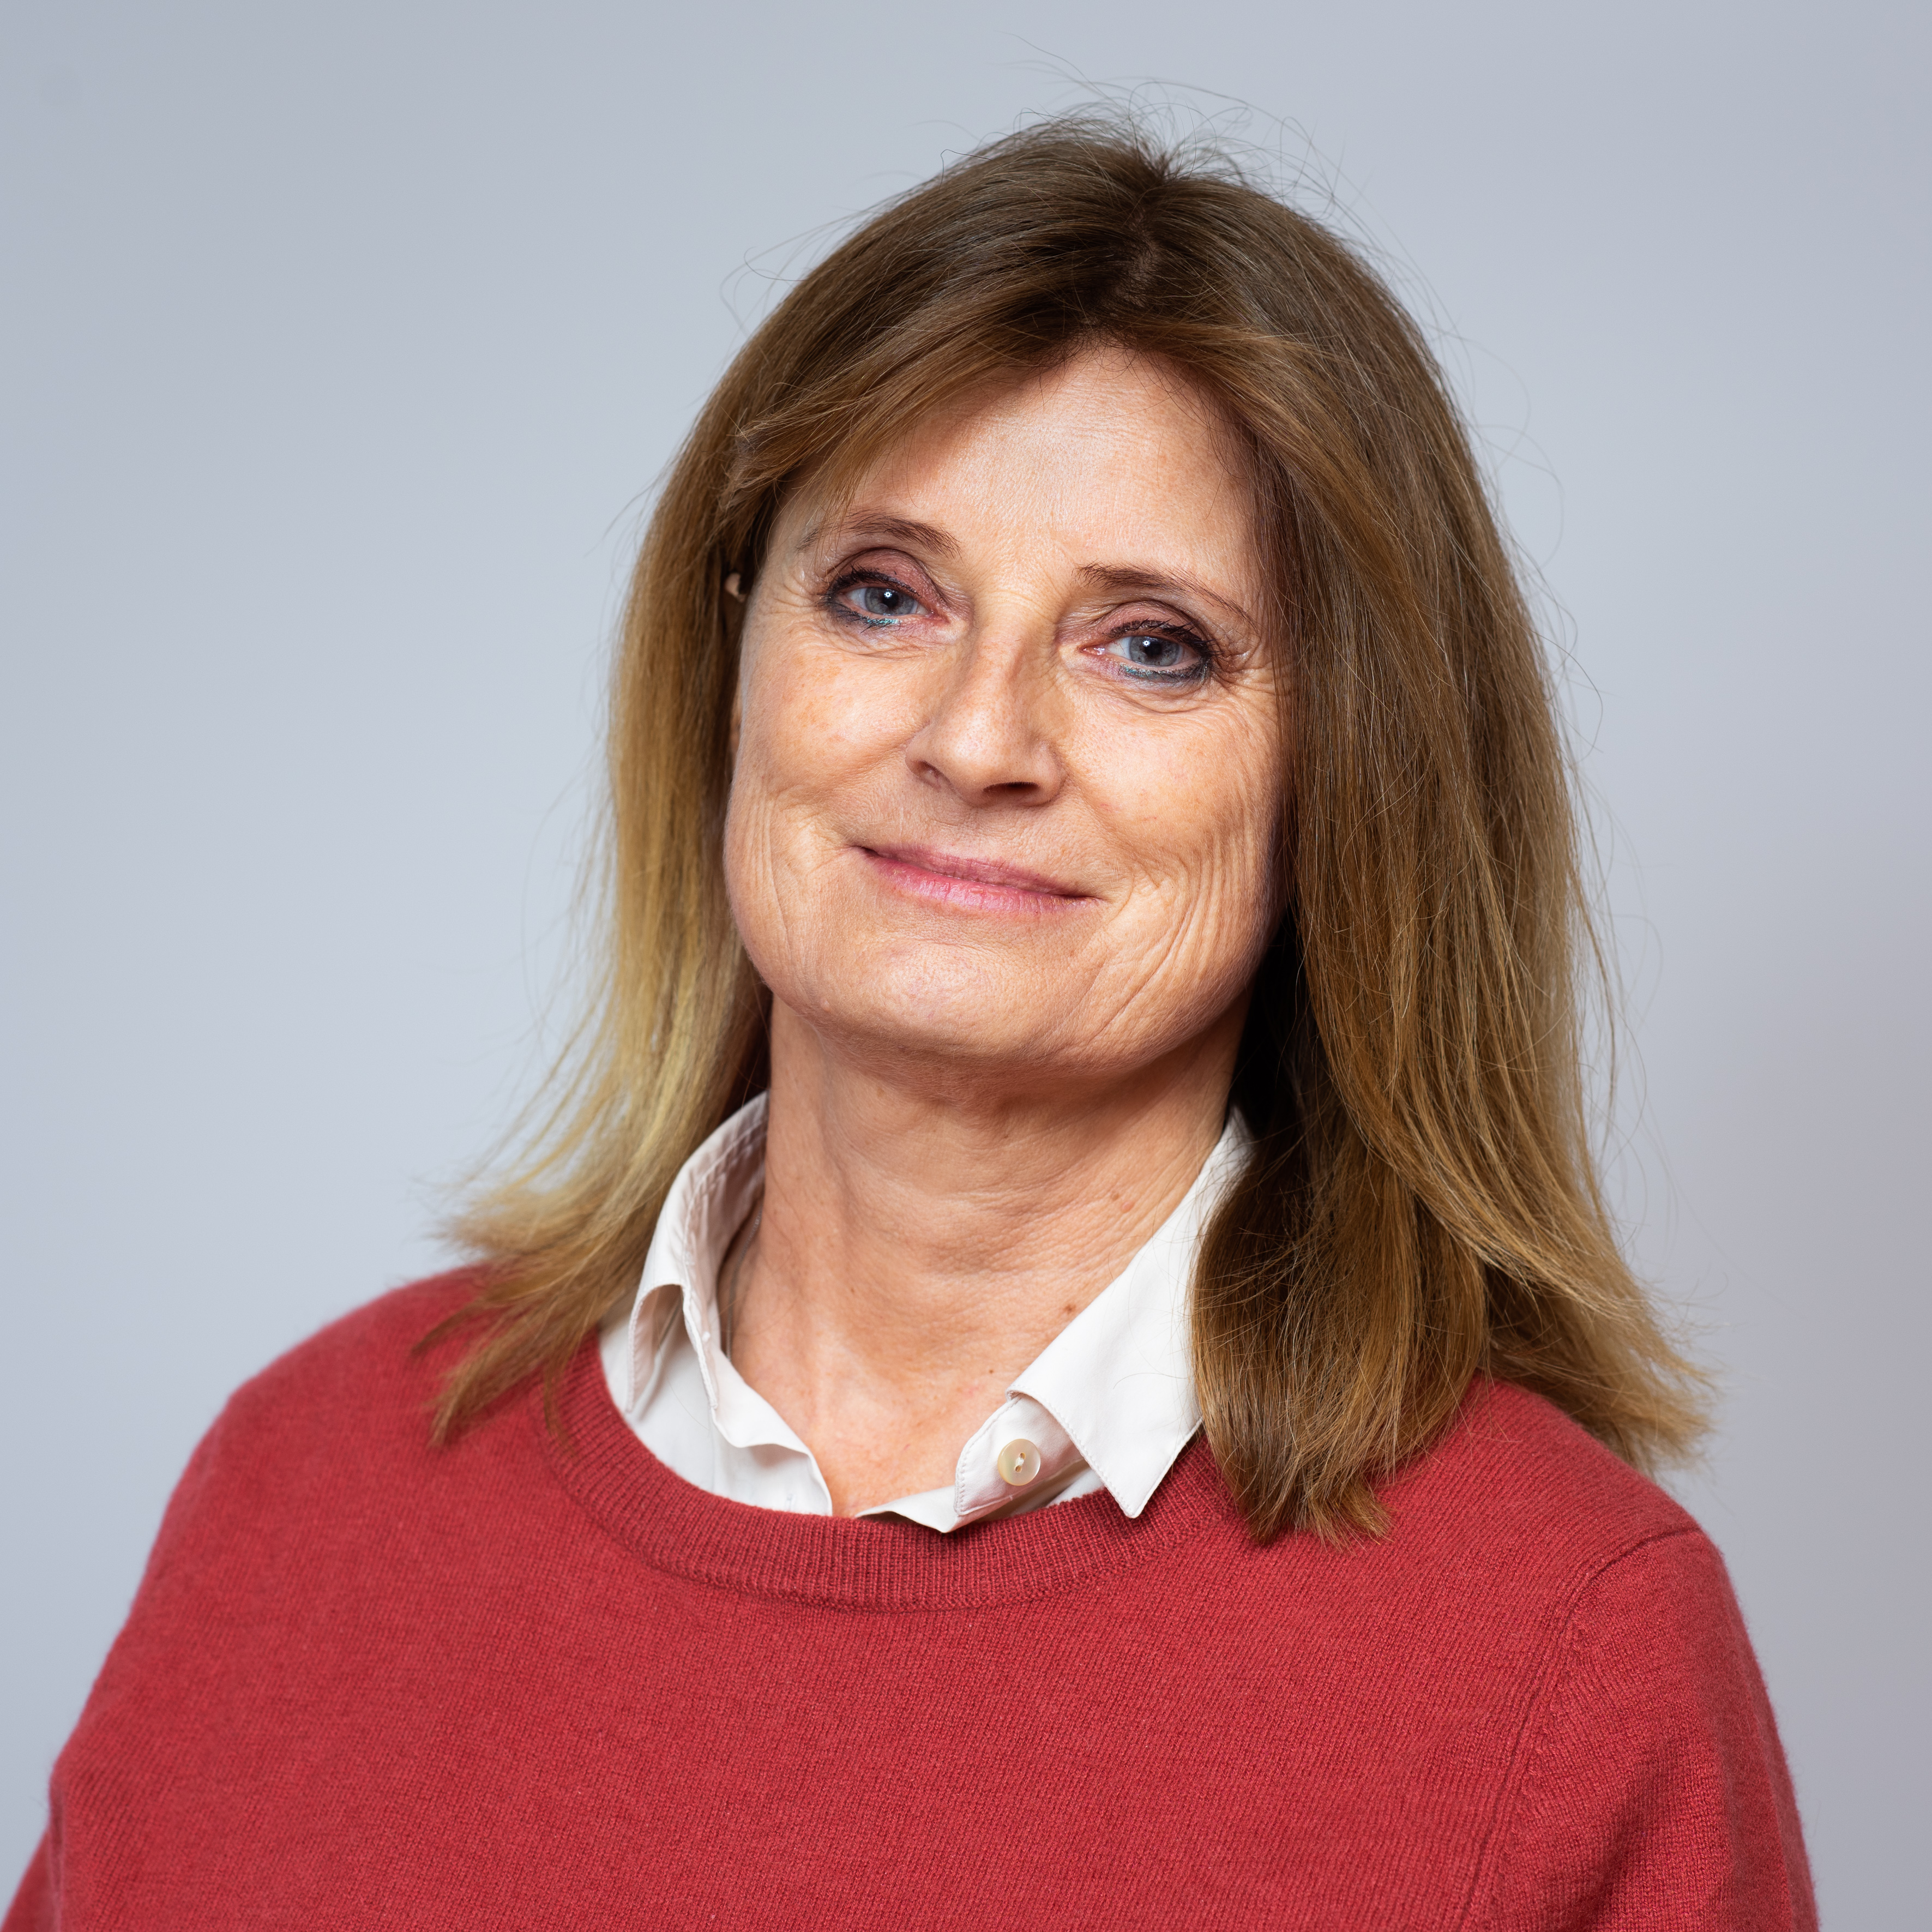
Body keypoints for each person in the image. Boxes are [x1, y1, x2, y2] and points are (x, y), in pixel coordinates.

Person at [6, 117, 1815, 1929]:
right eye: (884, 596)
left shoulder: (1566, 1644)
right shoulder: (305, 1485)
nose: (974, 739)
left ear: (1358, 775)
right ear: (733, 663)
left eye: (1153, 644)